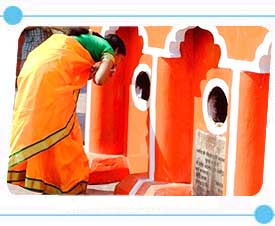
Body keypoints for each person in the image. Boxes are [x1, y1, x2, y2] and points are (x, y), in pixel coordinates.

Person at [7, 27, 126, 194]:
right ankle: (67, 182)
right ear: (117, 50)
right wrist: (109, 68)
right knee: (63, 132)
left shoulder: (86, 41)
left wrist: (92, 70)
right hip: (51, 78)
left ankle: (48, 179)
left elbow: (75, 66)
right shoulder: (107, 50)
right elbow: (100, 80)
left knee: (54, 130)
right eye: (120, 59)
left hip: (35, 68)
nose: (118, 62)